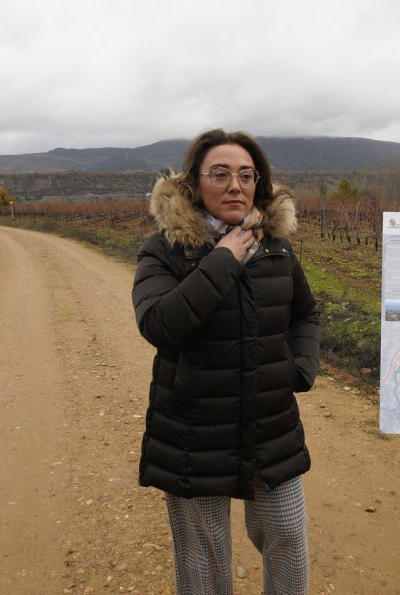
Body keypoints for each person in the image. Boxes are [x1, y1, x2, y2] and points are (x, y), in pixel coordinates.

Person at [132, 128, 320, 595]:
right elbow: (159, 324)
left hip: (270, 422)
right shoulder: (165, 250)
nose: (235, 185)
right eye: (220, 174)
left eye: (246, 175)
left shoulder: (275, 247)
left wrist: (300, 367)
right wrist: (222, 259)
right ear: (195, 183)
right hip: (195, 429)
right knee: (203, 554)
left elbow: (305, 313)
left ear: (259, 183)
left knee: (288, 537)